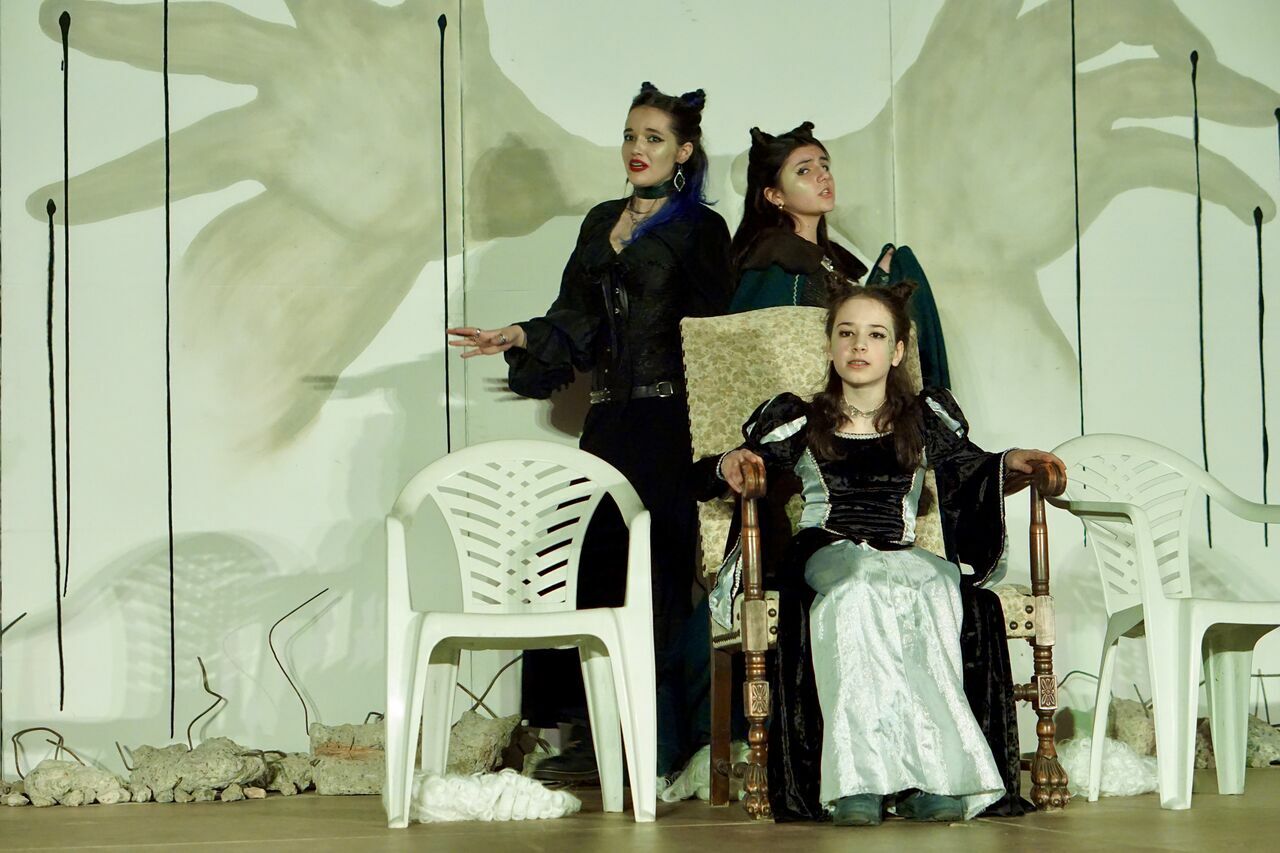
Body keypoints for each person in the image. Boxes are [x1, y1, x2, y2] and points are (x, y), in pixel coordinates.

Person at [448, 82, 732, 781]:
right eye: (631, 135)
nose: (637, 148)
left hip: (670, 423)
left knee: (657, 574)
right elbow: (573, 317)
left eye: (654, 138)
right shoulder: (601, 220)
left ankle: (657, 742)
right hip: (609, 422)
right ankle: (589, 732)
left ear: (683, 152)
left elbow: (718, 335)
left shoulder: (701, 230)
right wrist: (522, 335)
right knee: (583, 564)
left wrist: (723, 434)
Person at [698, 283, 1063, 825]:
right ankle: (857, 783)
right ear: (830, 346)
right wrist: (730, 462)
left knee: (935, 587)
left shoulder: (923, 418)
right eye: (846, 333)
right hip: (827, 547)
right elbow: (722, 470)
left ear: (896, 351)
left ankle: (931, 778)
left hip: (899, 549)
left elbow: (969, 467)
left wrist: (1011, 462)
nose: (859, 345)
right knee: (858, 587)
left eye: (875, 335)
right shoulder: (802, 419)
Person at [728, 121, 950, 389]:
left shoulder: (825, 260)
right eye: (804, 170)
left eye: (824, 166)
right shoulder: (776, 258)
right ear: (775, 195)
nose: (823, 176)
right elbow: (767, 357)